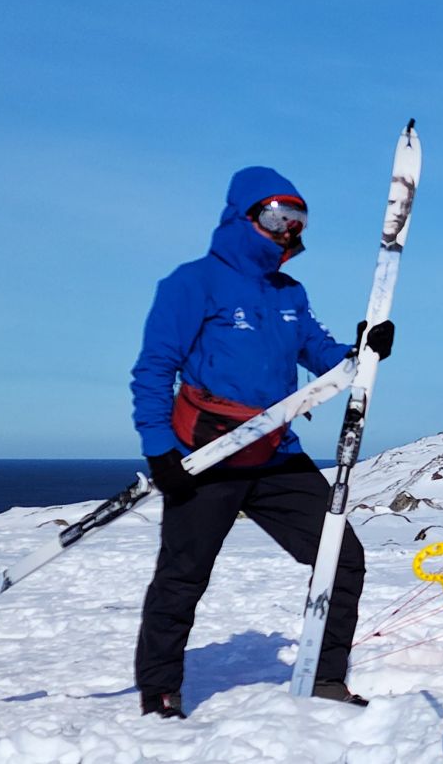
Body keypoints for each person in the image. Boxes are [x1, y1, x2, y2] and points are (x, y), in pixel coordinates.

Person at [128, 165, 393, 718]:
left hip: (274, 451)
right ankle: (160, 691)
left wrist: (362, 352)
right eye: (277, 215)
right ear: (244, 216)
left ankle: (324, 678)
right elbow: (154, 369)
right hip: (206, 453)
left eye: (297, 218)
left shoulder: (288, 292)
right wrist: (160, 449)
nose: (288, 229)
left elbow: (320, 355)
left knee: (340, 557)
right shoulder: (191, 283)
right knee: (183, 573)